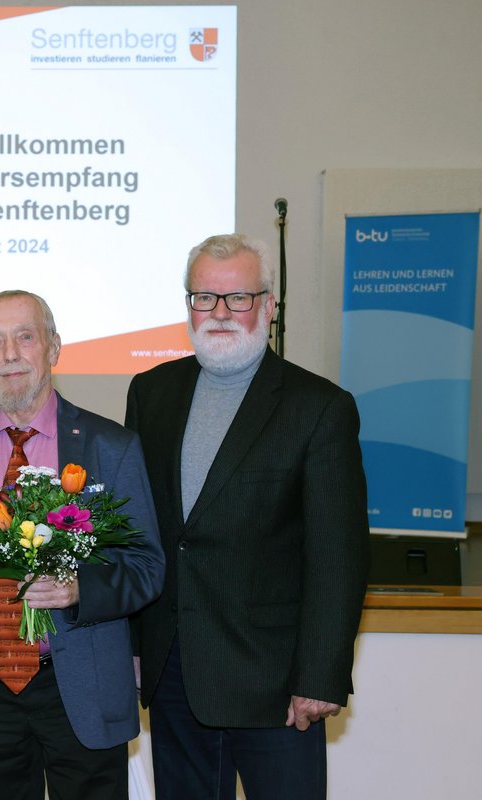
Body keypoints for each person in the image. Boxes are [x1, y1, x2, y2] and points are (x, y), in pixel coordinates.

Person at [125, 233, 370, 799]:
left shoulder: (320, 408)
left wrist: (320, 676)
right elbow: (141, 534)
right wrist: (135, 647)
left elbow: (339, 557)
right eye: (205, 298)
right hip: (175, 673)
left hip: (277, 684)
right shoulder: (152, 393)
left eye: (237, 298)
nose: (220, 313)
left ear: (268, 305)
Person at [0, 290, 165, 799]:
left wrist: (81, 589)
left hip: (78, 674)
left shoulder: (109, 446)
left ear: (53, 347)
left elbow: (147, 566)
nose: (10, 354)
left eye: (24, 337)